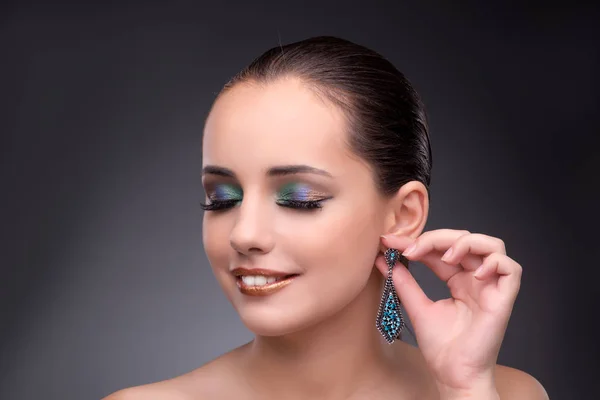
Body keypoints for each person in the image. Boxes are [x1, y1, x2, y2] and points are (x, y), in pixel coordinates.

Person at [104, 36, 548, 399]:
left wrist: (464, 387)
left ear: (402, 215)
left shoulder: (505, 394)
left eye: (299, 198)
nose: (245, 233)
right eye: (222, 198)